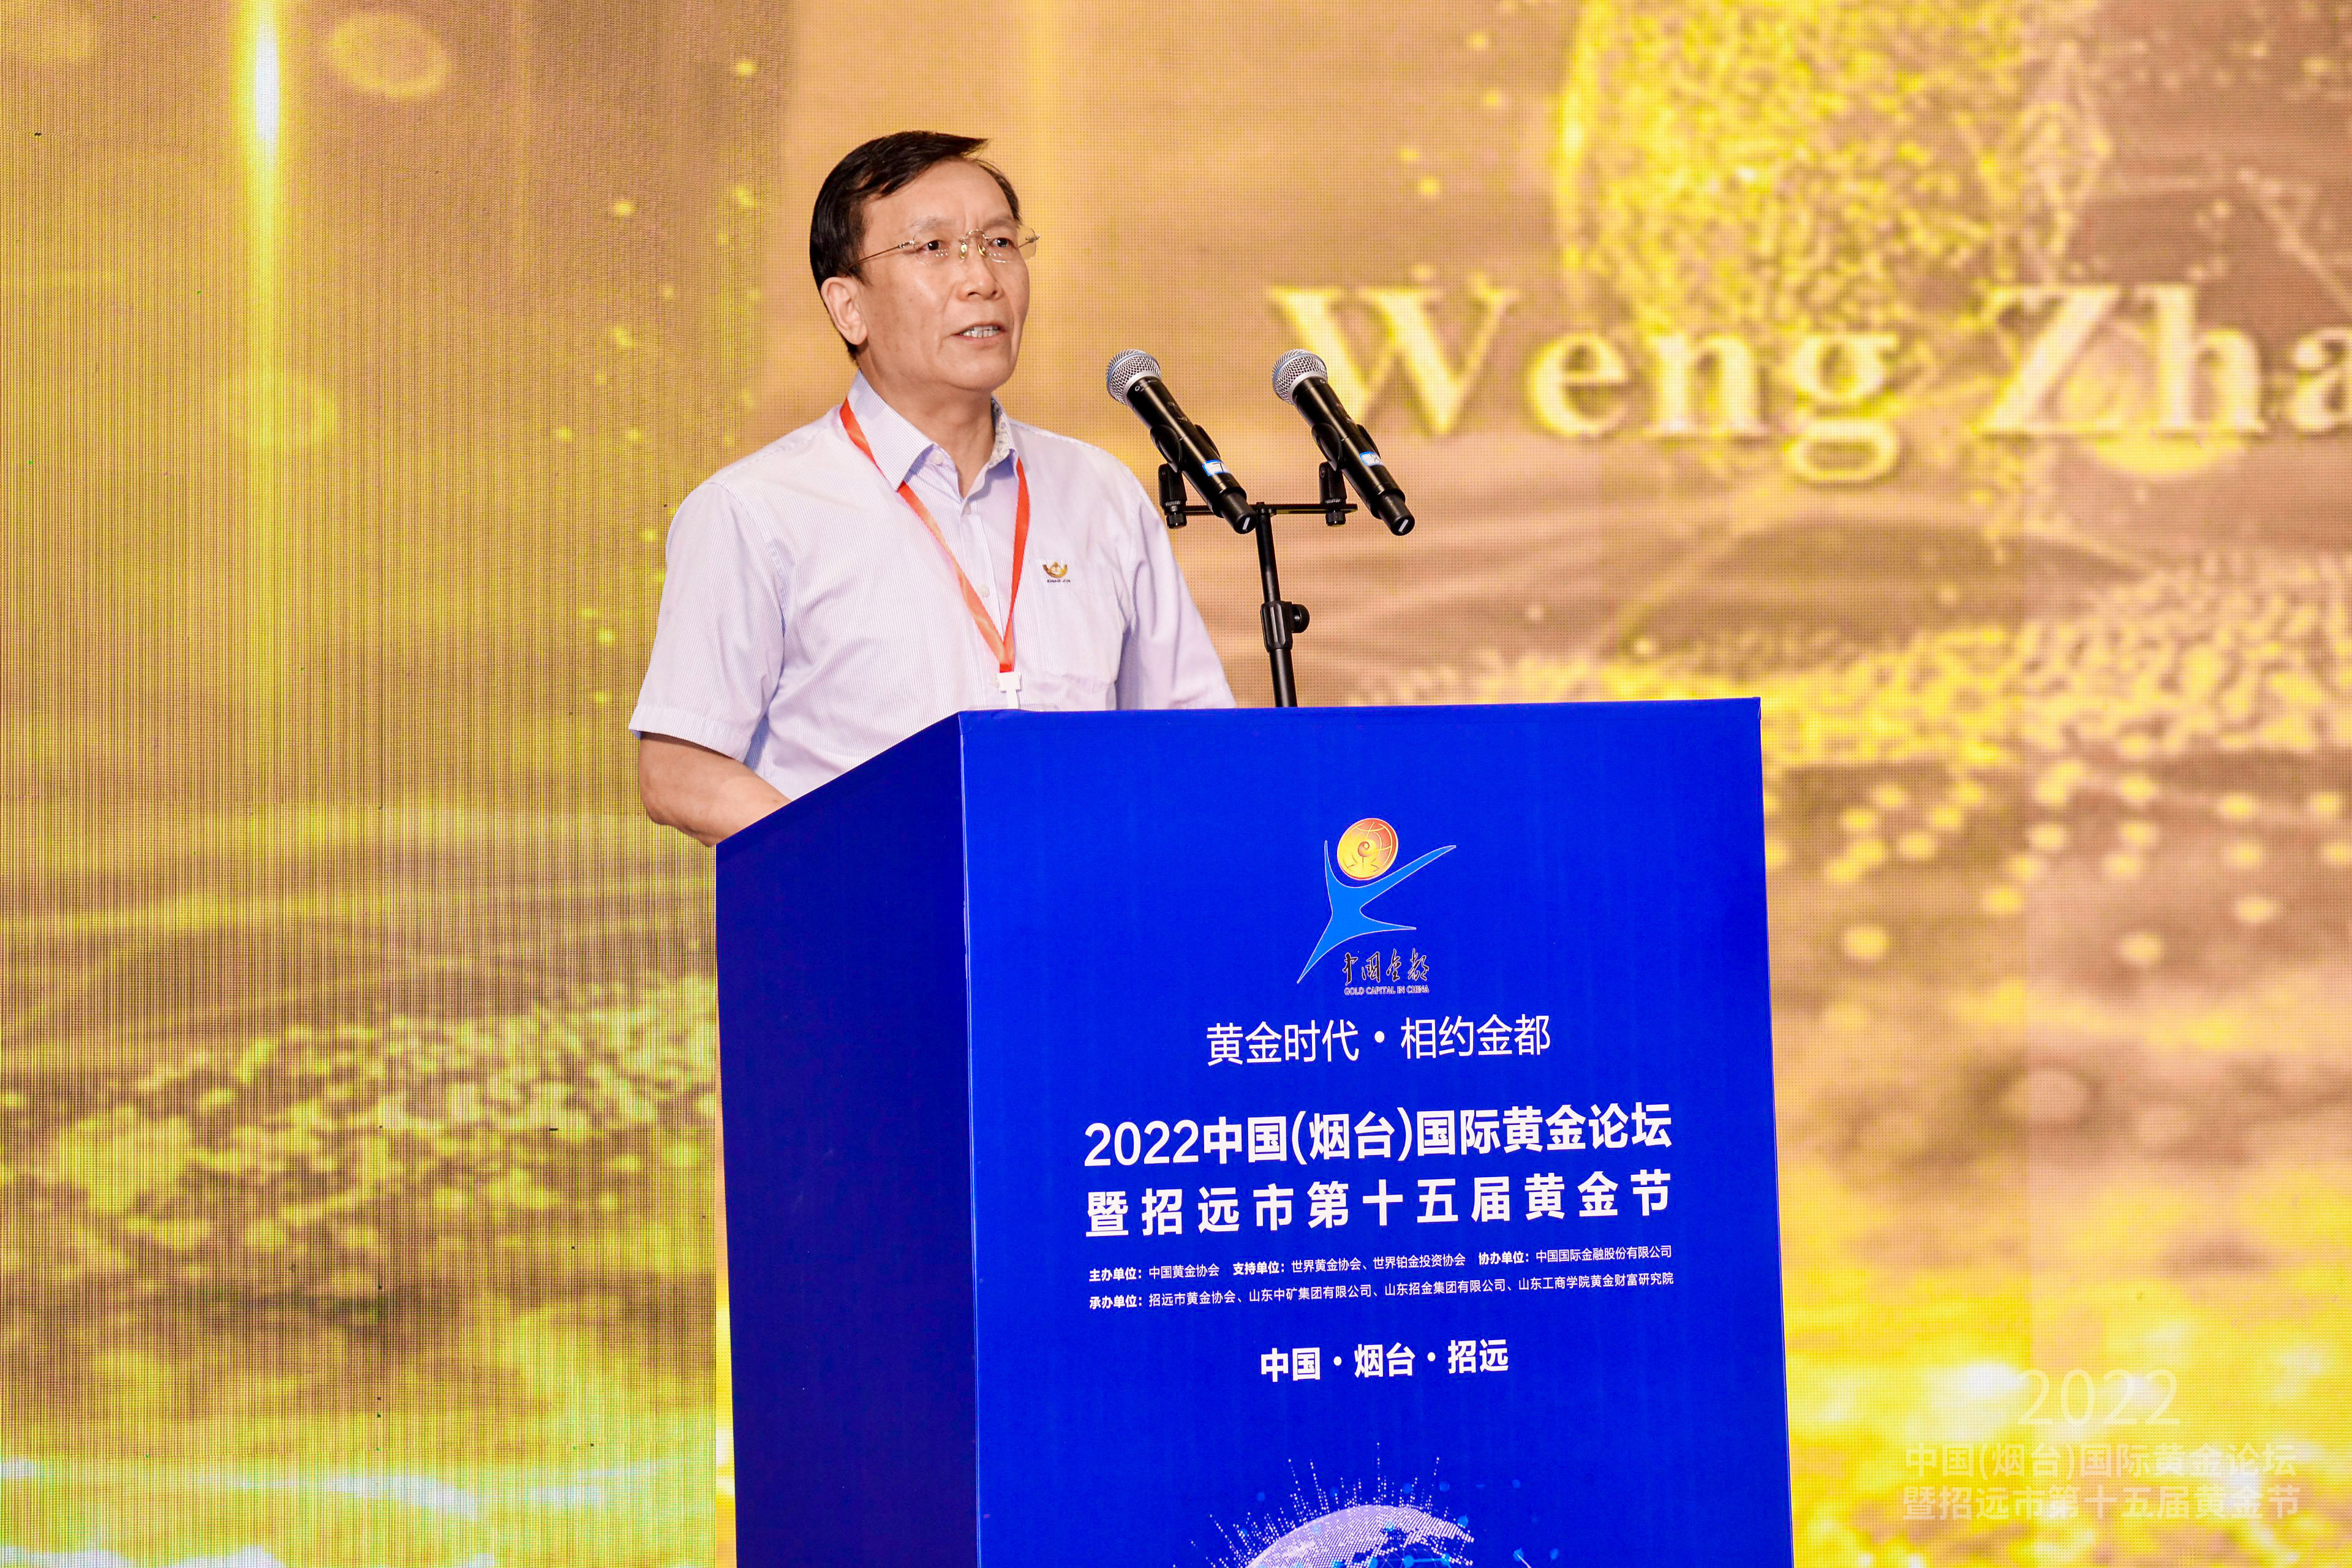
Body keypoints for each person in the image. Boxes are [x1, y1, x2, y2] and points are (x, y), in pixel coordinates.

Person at [630, 131, 1234, 846]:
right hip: (868, 910)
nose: (981, 278)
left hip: (1082, 903)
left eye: (1000, 243)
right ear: (848, 307)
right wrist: (862, 870)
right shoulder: (757, 510)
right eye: (934, 248)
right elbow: (679, 770)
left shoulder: (1100, 492)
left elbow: (1198, 739)